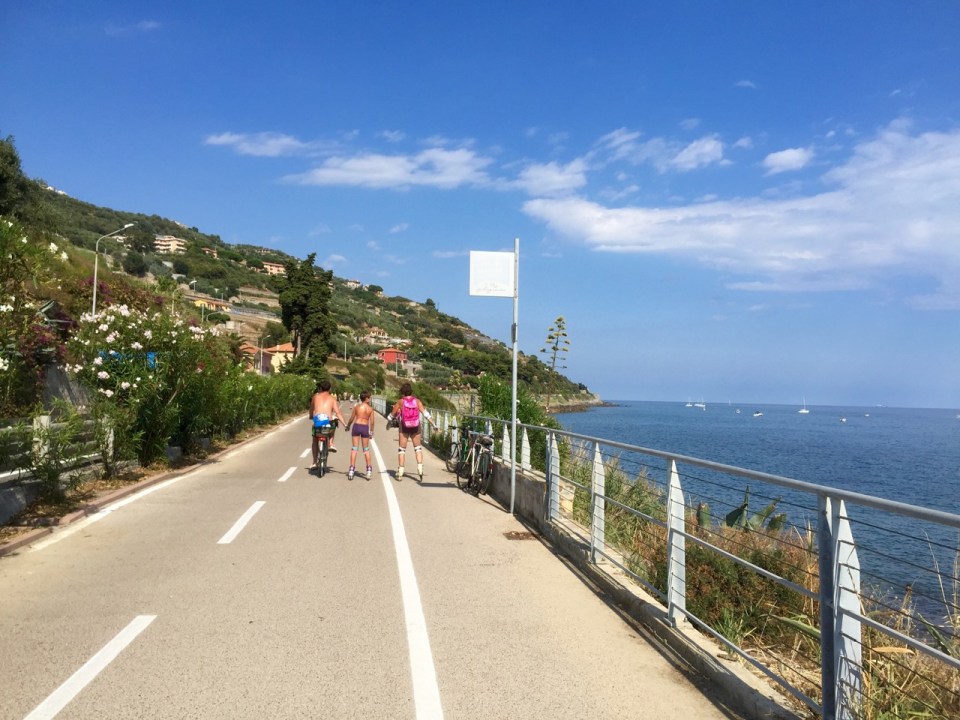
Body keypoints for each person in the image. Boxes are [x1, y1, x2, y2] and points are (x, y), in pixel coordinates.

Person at [388, 382, 434, 481]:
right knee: (417, 448)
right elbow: (425, 413)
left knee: (402, 450)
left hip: (404, 427)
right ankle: (420, 469)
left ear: (403, 392)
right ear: (411, 391)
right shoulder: (417, 401)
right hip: (415, 427)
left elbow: (391, 415)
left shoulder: (400, 402)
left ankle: (400, 472)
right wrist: (434, 424)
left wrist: (388, 422)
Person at [309, 380, 346, 470]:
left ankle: (314, 462)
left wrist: (311, 416)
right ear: (329, 389)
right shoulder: (332, 399)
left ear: (320, 388)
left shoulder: (315, 397)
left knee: (315, 440)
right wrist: (345, 424)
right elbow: (338, 412)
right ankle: (331, 443)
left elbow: (311, 409)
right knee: (334, 423)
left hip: (318, 424)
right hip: (327, 425)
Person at [345, 391, 375, 480]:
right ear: (366, 399)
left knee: (354, 448)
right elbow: (372, 422)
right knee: (366, 449)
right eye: (369, 397)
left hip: (356, 426)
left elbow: (352, 418)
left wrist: (348, 426)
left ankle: (351, 469)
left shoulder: (357, 407)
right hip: (365, 427)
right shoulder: (370, 409)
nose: (370, 399)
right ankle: (369, 470)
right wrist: (371, 432)